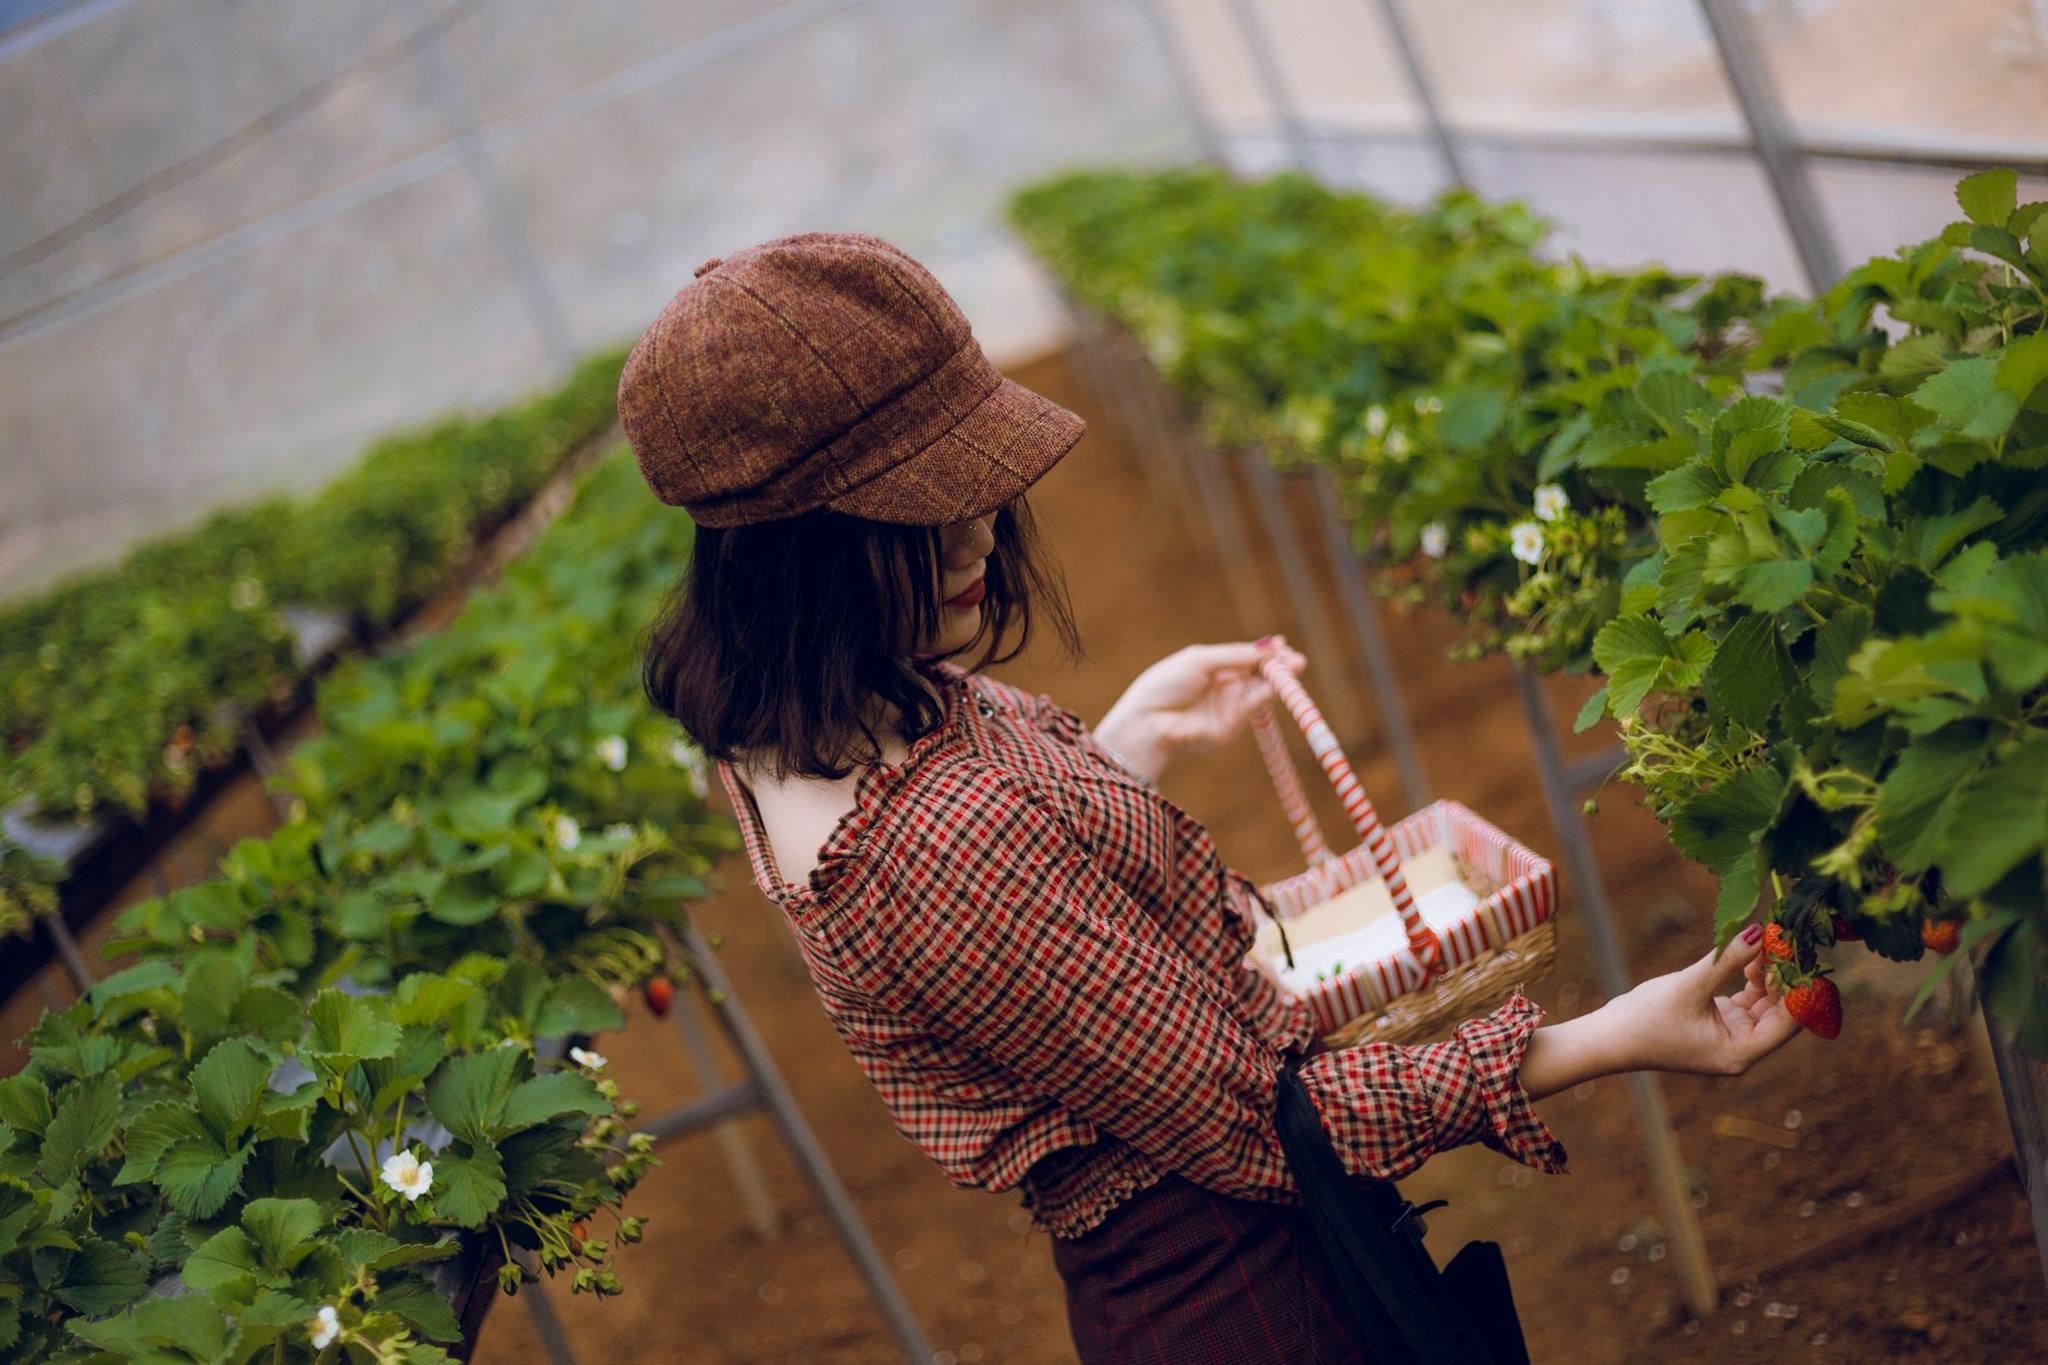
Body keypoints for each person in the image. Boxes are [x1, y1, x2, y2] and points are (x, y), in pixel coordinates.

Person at [617, 231, 1803, 1363]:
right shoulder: (935, 844)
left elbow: (1016, 921)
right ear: (802, 550)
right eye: (928, 503)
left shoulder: (795, 731)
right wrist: (1608, 1037)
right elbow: (1262, 1122)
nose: (980, 525)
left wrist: (1119, 747)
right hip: (1258, 1305)